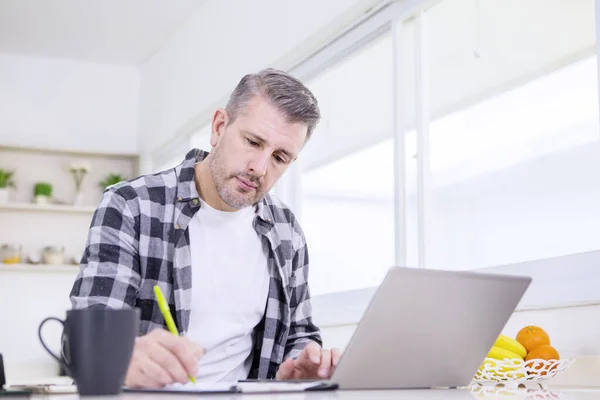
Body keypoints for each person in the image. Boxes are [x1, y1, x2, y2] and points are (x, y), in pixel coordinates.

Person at [69, 68, 341, 388]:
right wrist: (118, 355)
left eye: (279, 157)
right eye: (253, 142)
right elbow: (86, 337)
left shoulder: (286, 231)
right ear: (219, 127)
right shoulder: (131, 205)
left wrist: (300, 366)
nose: (260, 167)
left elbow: (300, 332)